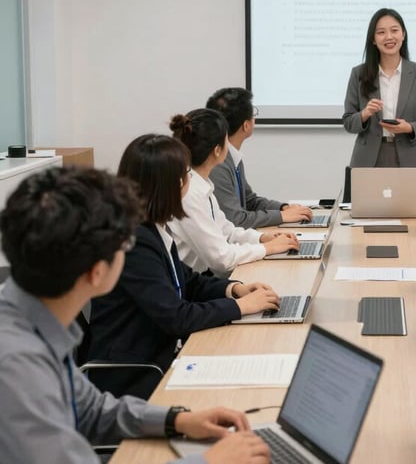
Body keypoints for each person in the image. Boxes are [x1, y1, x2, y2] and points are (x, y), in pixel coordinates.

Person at [0, 166, 270, 463]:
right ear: (97, 272)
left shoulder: (33, 320)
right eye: (125, 243)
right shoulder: (16, 365)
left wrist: (175, 420)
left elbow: (90, 410)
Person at [88, 135, 281, 399]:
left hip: (161, 355)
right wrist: (241, 308)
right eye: (186, 175)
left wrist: (235, 290)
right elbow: (176, 317)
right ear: (175, 184)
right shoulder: (133, 242)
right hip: (138, 374)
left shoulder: (151, 227)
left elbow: (187, 280)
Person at [169, 109, 299, 277]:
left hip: (200, 279)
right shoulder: (190, 193)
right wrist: (268, 248)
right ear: (217, 150)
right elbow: (222, 258)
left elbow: (227, 231)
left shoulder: (201, 184)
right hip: (191, 285)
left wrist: (262, 238)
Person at [342, 7, 416, 168]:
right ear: (373, 39)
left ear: (403, 34)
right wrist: (365, 114)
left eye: (394, 30)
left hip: (408, 158)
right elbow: (348, 122)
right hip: (368, 160)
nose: (389, 37)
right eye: (381, 32)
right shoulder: (358, 74)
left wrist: (409, 127)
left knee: (407, 195)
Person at [206, 87, 314, 228]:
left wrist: (283, 208)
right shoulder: (217, 163)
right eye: (253, 115)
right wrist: (282, 216)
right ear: (246, 125)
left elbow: (249, 201)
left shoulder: (232, 156)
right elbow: (236, 219)